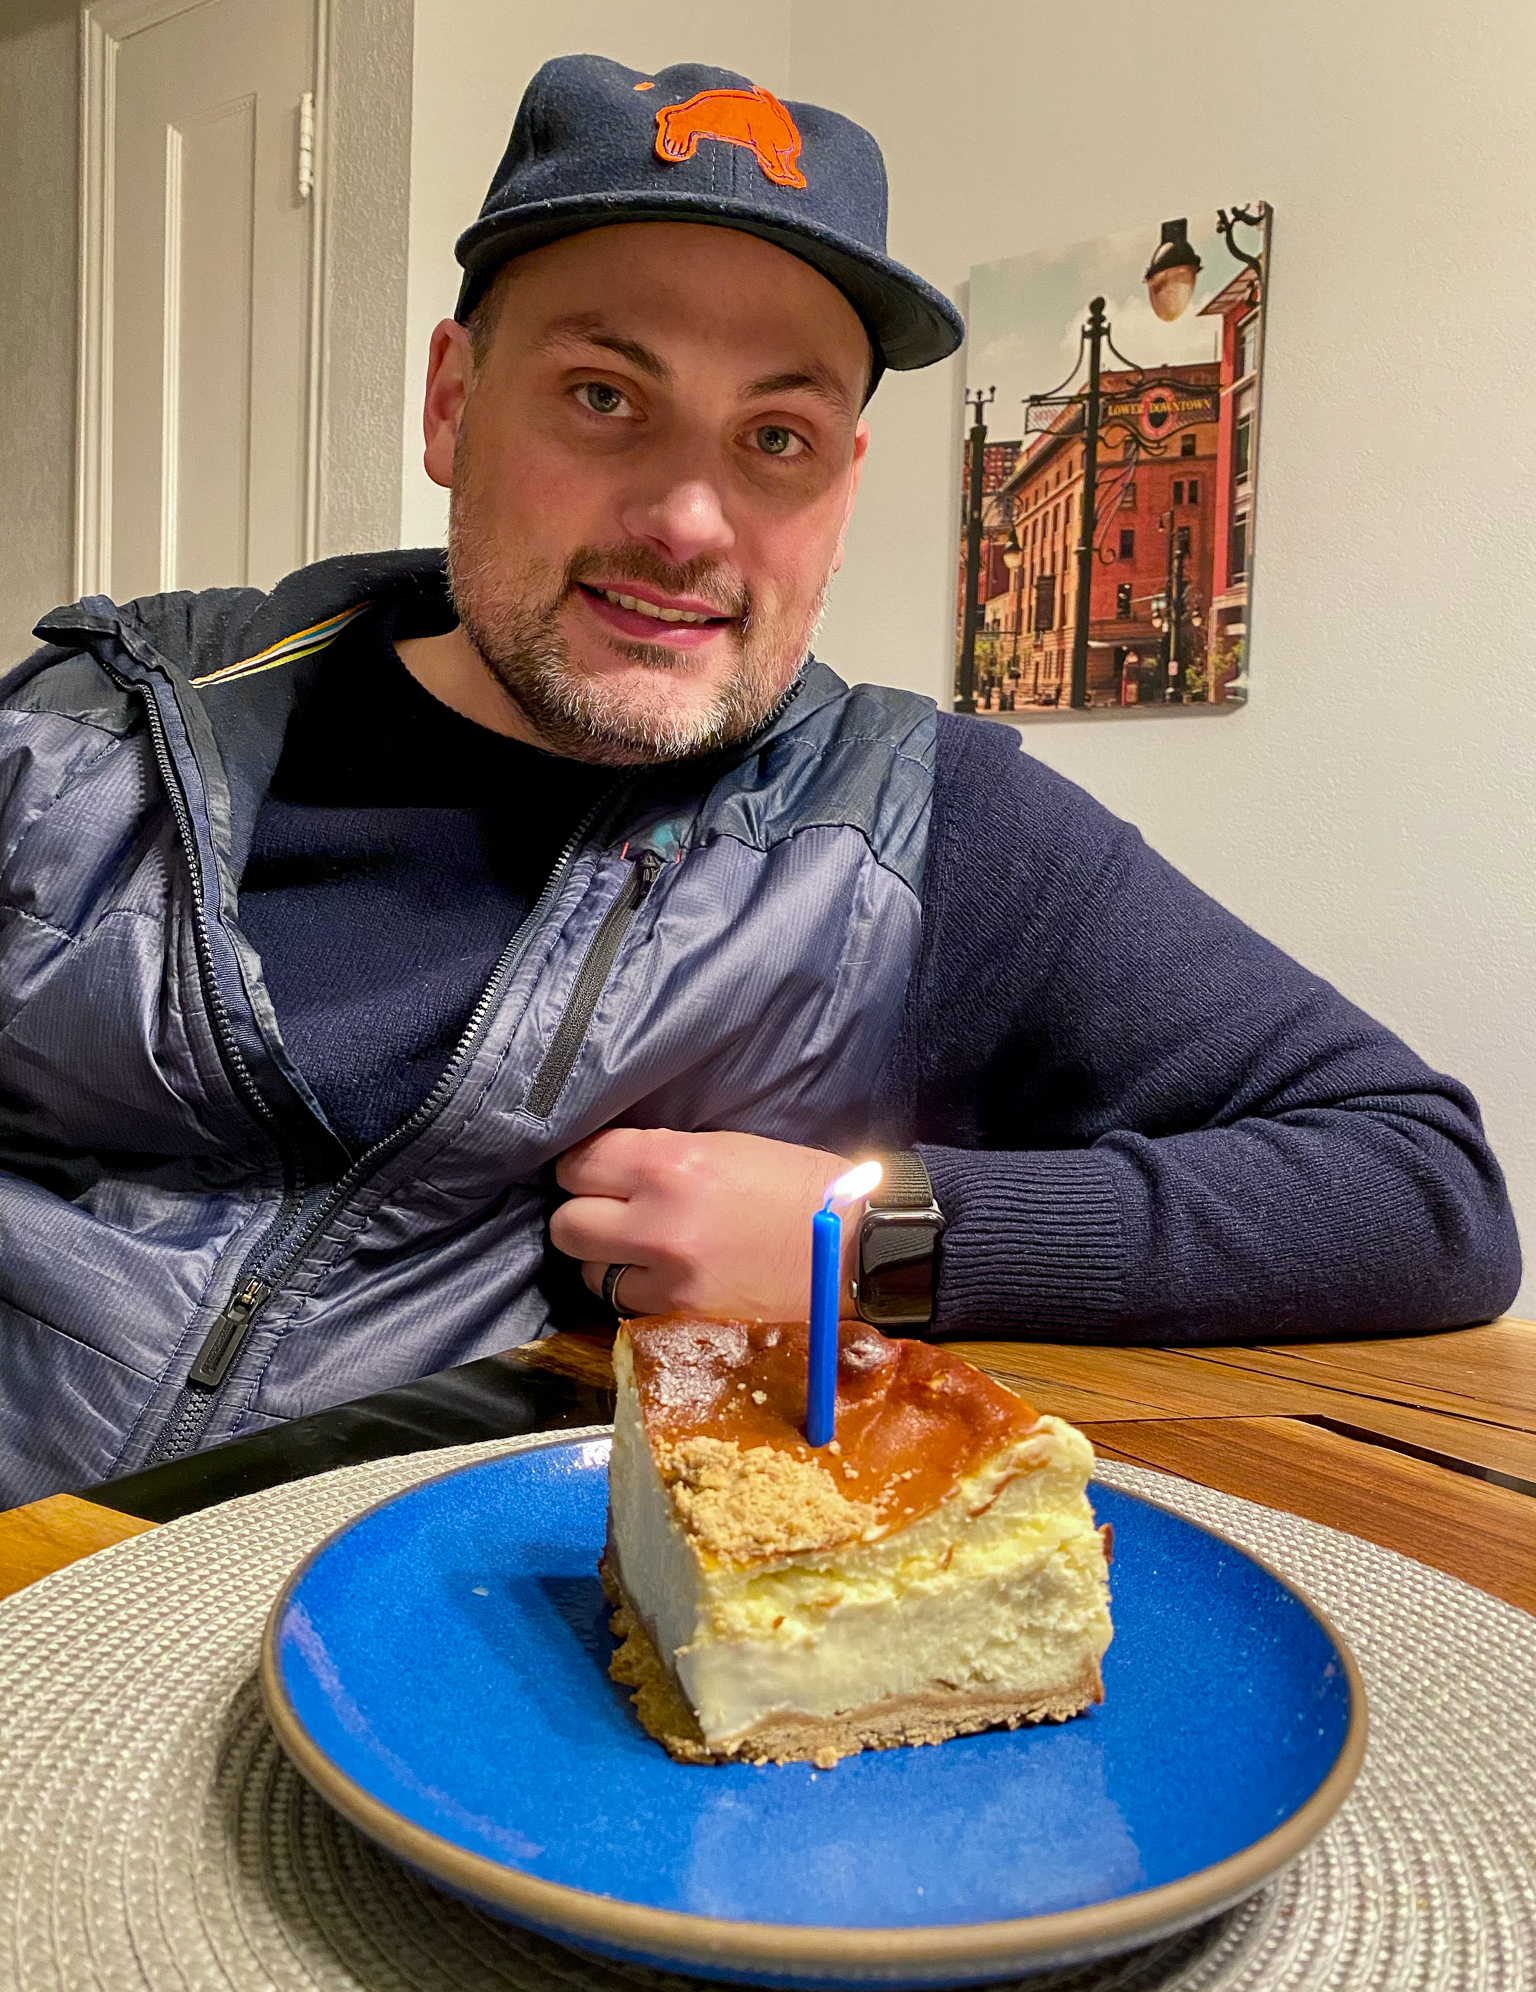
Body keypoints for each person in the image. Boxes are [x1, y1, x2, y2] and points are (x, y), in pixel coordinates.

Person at [0, 56, 1519, 1507]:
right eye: (605, 396)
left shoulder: (920, 824)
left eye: (776, 436)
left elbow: (1425, 1189)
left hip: (455, 1632)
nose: (688, 520)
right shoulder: (94, 729)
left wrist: (872, 1237)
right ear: (453, 401)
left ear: (843, 490)